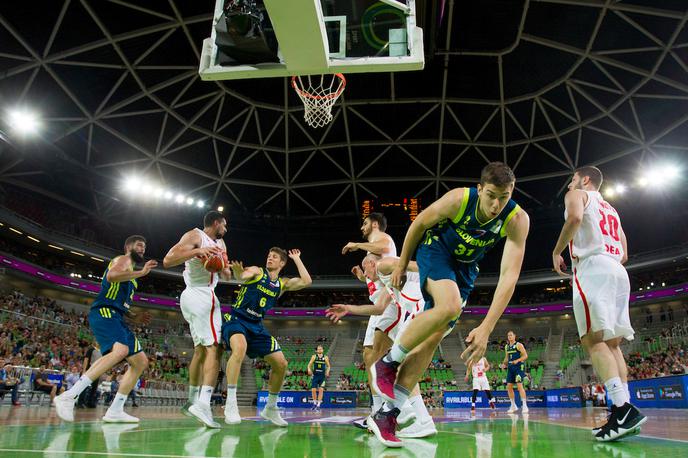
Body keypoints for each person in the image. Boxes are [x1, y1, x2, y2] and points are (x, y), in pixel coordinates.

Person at [370, 162, 530, 447]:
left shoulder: (517, 220)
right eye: (491, 195)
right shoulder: (460, 199)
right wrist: (403, 264)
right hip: (436, 248)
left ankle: (388, 414)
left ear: (512, 192)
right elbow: (419, 223)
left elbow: (509, 276)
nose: (496, 205)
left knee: (431, 341)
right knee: (450, 305)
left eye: (503, 197)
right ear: (480, 189)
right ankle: (388, 362)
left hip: (466, 270)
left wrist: (486, 327)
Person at [552, 165, 646, 441]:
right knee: (613, 343)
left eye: (572, 180)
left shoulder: (577, 195)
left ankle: (621, 408)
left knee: (593, 340)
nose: (570, 185)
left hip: (593, 267)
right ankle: (625, 410)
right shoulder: (612, 211)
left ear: (585, 179)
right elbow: (625, 253)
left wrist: (558, 251)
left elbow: (574, 219)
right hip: (618, 270)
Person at [327, 255, 437, 438]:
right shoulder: (388, 284)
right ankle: (421, 419)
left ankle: (399, 410)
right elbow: (378, 308)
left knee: (387, 363)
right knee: (405, 366)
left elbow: (418, 265)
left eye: (366, 270)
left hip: (423, 308)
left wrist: (438, 273)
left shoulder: (383, 265)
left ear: (371, 263)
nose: (367, 276)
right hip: (426, 311)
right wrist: (349, 308)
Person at [52, 235, 157, 423]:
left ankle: (115, 410)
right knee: (121, 351)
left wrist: (134, 316)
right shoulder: (123, 259)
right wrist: (142, 273)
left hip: (117, 316)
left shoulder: (131, 273)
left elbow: (119, 300)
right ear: (128, 247)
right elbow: (112, 276)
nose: (142, 249)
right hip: (104, 312)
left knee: (140, 362)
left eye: (144, 246)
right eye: (139, 245)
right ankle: (69, 395)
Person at [222, 248, 312, 426]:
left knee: (281, 364)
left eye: (275, 257)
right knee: (239, 348)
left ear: (282, 263)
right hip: (237, 319)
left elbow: (307, 281)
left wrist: (297, 259)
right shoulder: (258, 271)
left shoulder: (282, 284)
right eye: (269, 255)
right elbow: (242, 276)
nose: (270, 258)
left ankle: (270, 408)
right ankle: (230, 404)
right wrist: (239, 272)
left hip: (257, 326)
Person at [163, 211, 231, 428]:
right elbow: (168, 260)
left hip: (199, 296)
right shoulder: (195, 235)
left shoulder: (221, 243)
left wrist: (226, 269)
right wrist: (199, 251)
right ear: (216, 222)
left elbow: (226, 273)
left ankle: (192, 400)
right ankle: (203, 404)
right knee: (215, 348)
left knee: (201, 350)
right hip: (200, 294)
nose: (226, 229)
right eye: (224, 225)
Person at [342, 213, 397, 428]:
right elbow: (373, 275)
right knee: (369, 356)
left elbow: (383, 248)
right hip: (379, 306)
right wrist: (361, 275)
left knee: (378, 358)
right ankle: (377, 409)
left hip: (387, 304)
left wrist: (356, 245)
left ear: (374, 224)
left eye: (365, 223)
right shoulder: (373, 252)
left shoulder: (383, 239)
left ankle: (386, 410)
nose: (362, 227)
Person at [501, 331, 528, 413]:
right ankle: (513, 405)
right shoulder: (506, 346)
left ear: (514, 336)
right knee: (509, 386)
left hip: (519, 367)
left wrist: (518, 360)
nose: (509, 336)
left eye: (511, 335)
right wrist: (504, 364)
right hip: (510, 367)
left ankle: (524, 405)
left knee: (519, 386)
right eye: (508, 335)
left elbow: (525, 356)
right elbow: (506, 357)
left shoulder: (519, 345)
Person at [78, 342, 101, 408]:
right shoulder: (91, 350)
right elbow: (86, 360)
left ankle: (90, 402)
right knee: (83, 388)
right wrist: (84, 371)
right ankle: (80, 402)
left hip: (96, 372)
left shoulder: (102, 351)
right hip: (88, 371)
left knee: (94, 388)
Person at [307, 345, 330, 411]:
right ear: (316, 350)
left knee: (321, 390)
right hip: (315, 375)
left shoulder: (325, 357)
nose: (320, 350)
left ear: (323, 350)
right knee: (313, 390)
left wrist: (327, 371)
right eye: (318, 349)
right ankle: (314, 404)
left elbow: (328, 366)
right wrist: (309, 369)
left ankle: (318, 405)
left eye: (321, 349)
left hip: (322, 376)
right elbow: (309, 365)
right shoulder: (314, 356)